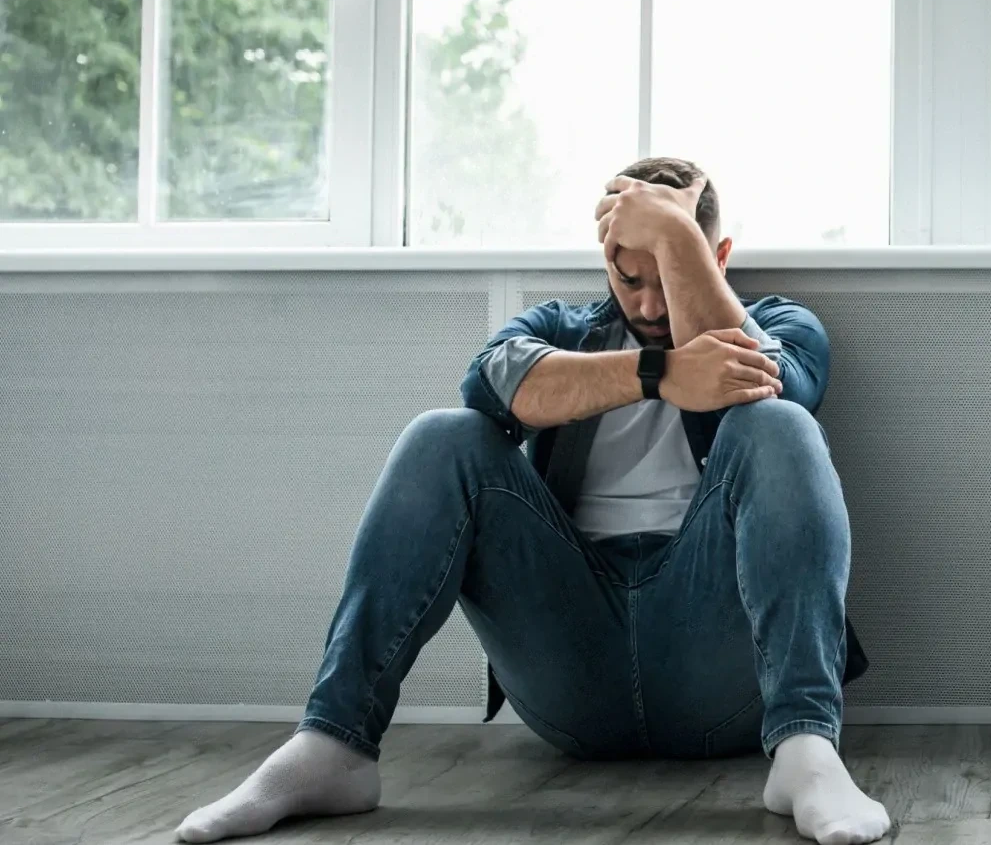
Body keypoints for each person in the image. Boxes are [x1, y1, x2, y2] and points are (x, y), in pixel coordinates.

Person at [176, 157, 892, 845]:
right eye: (626, 273)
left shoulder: (782, 325)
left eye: (668, 272)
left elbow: (772, 384)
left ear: (718, 254)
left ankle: (805, 753)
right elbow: (490, 388)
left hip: (722, 665)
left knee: (776, 419)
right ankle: (333, 746)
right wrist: (661, 373)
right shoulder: (558, 330)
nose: (645, 303)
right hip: (573, 664)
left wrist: (675, 236)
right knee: (443, 435)